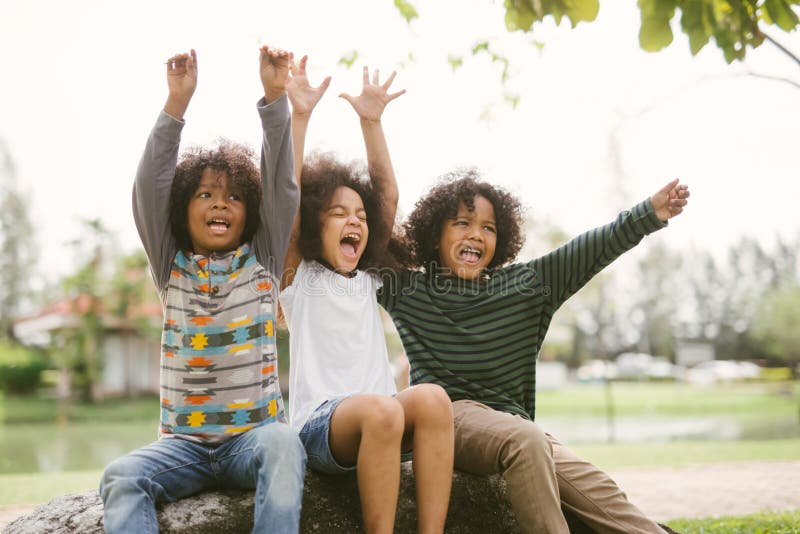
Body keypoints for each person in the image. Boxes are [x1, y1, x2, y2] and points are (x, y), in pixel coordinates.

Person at [377, 170, 690, 534]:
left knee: (598, 489)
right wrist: (372, 124)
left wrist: (649, 213)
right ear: (435, 233)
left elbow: (591, 248)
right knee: (525, 439)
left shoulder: (527, 286)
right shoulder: (411, 291)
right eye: (462, 223)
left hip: (517, 426)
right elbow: (378, 225)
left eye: (488, 228)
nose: (476, 234)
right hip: (448, 419)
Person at [99, 46, 305, 534]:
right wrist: (176, 105)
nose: (220, 204)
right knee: (120, 476)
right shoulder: (171, 264)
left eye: (234, 196)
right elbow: (148, 186)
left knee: (284, 443)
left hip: (251, 442)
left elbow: (282, 186)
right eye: (206, 194)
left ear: (249, 211)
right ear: (182, 208)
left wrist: (275, 99)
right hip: (182, 449)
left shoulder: (264, 259)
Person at [279, 57, 454, 534]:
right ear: (316, 224)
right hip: (321, 428)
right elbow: (287, 201)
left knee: (435, 399)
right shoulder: (302, 277)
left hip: (382, 421)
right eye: (338, 213)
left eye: (360, 214)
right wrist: (299, 116)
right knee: (382, 409)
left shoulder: (368, 277)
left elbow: (388, 196)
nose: (354, 221)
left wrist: (371, 123)